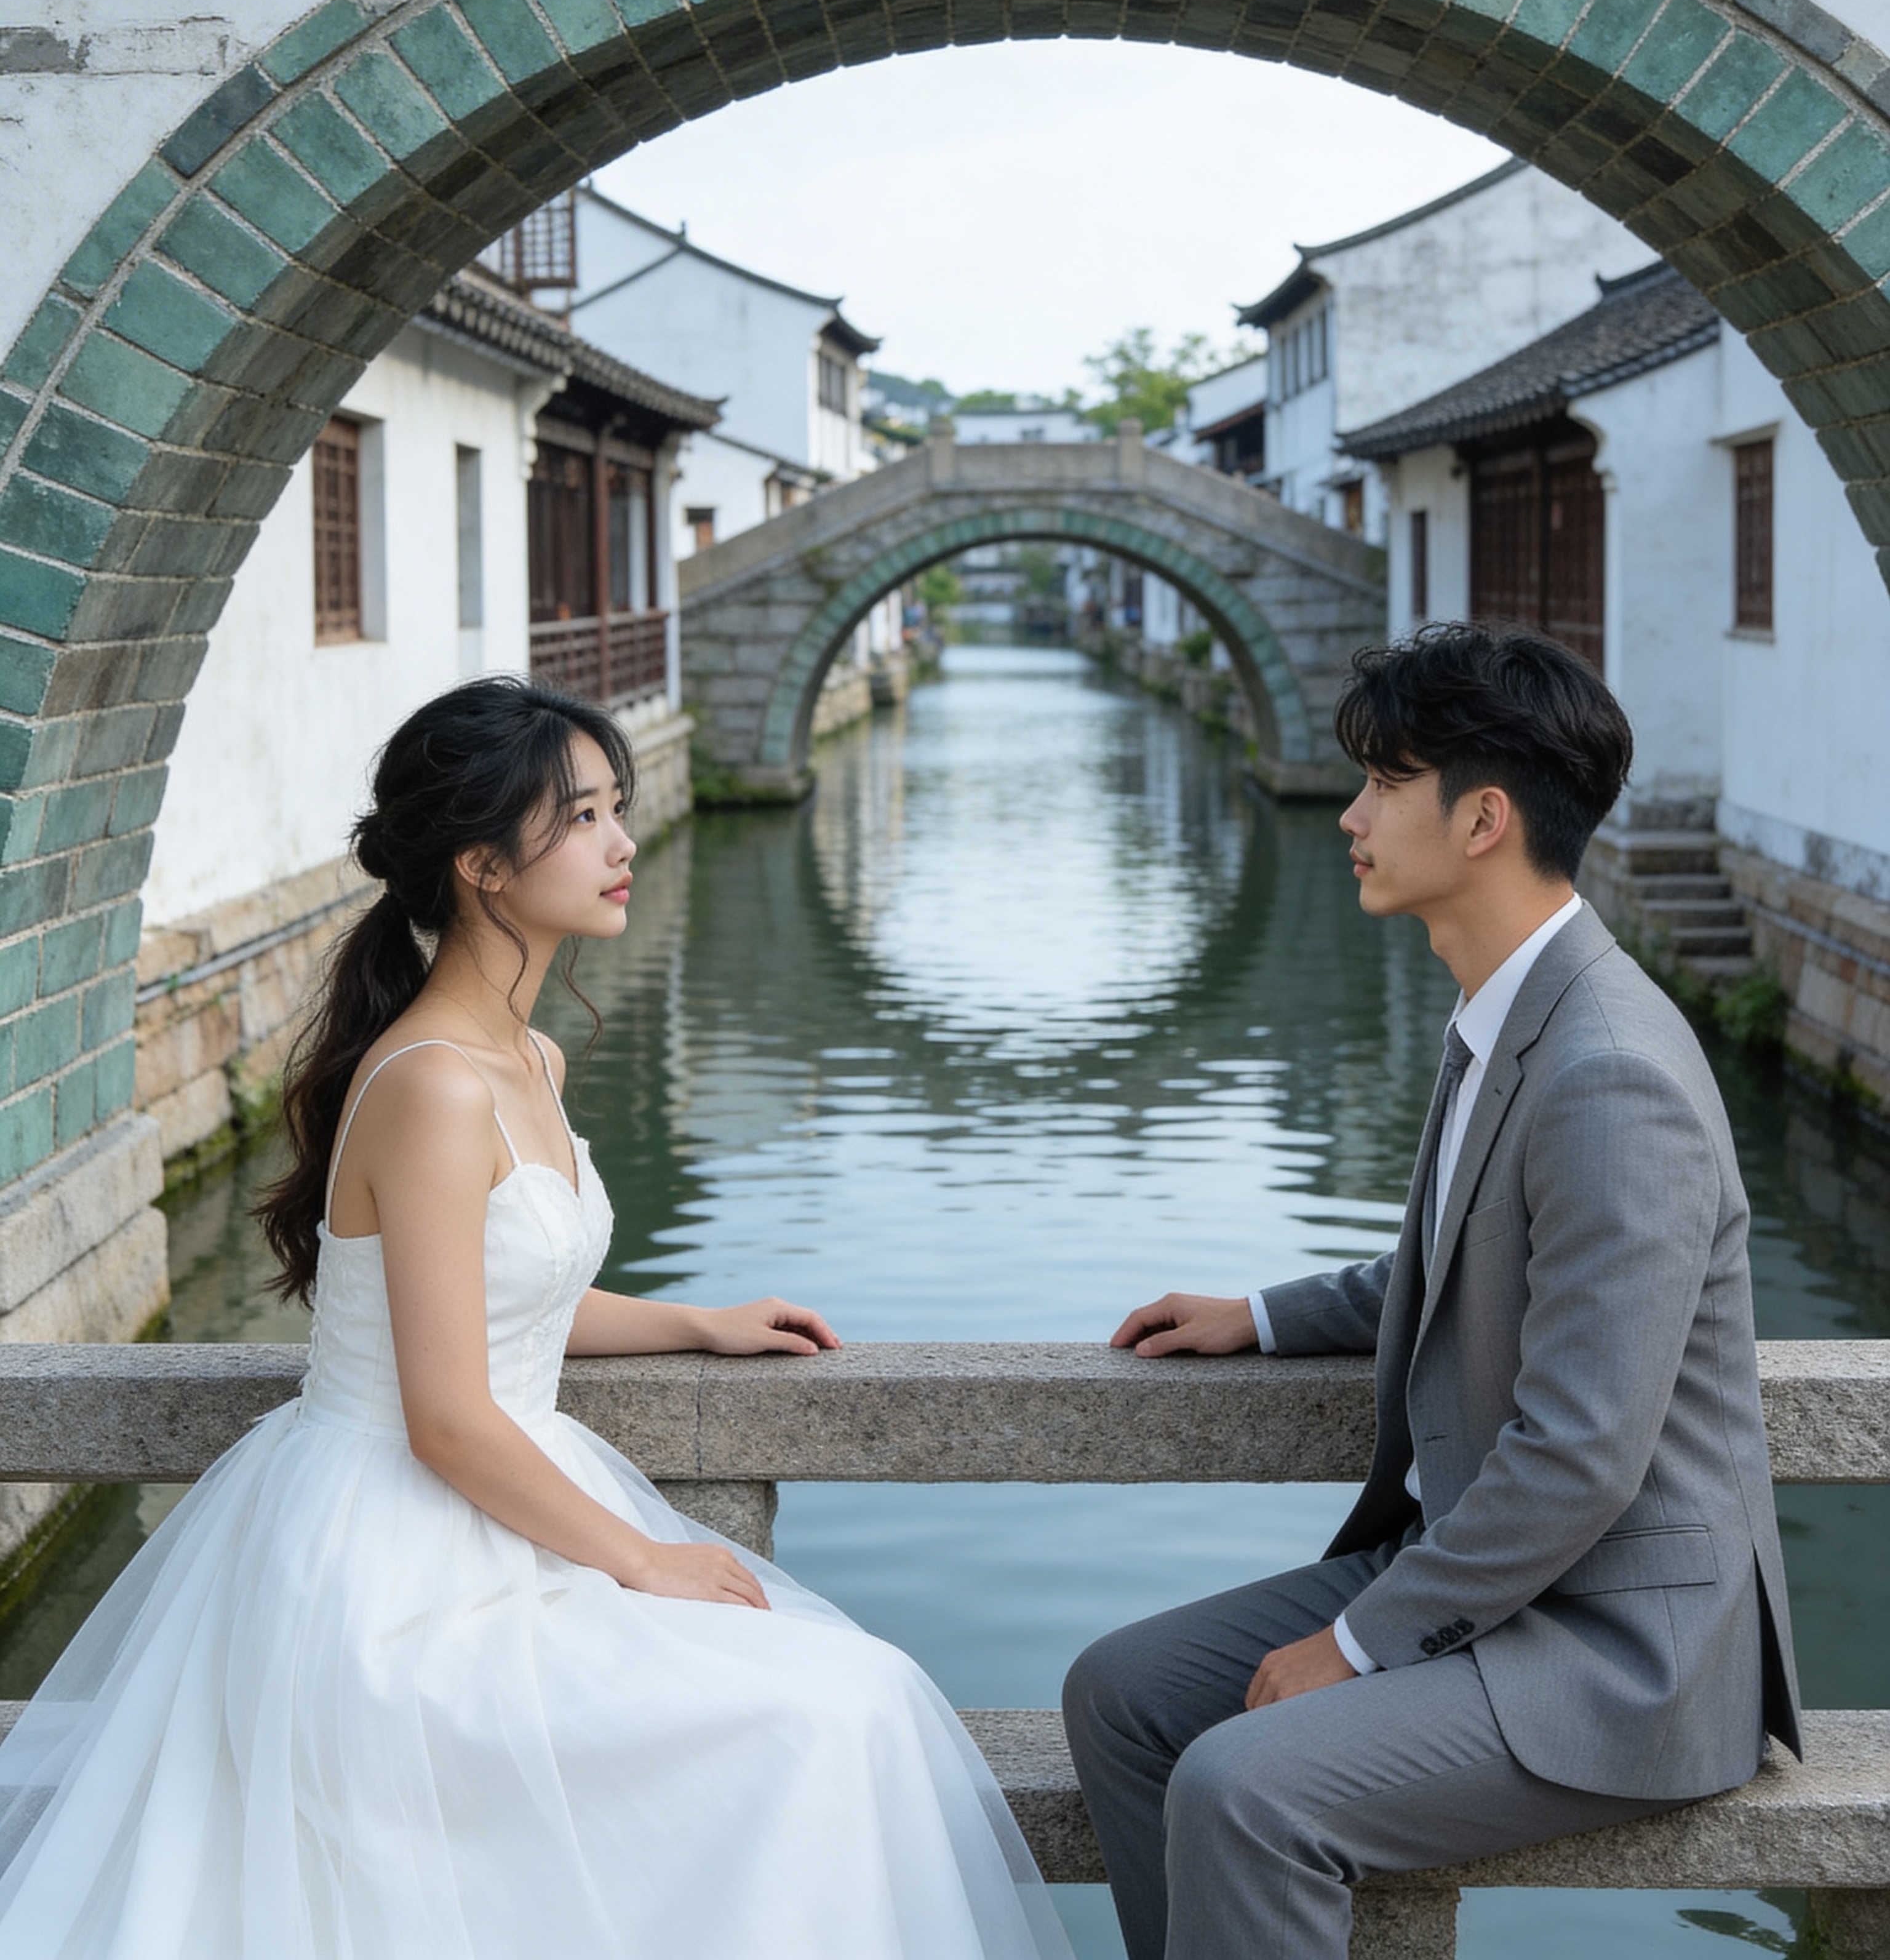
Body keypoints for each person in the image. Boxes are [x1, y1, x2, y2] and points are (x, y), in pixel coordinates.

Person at [0, 677, 1072, 1960]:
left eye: (618, 808)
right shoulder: (434, 1083)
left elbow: (513, 1296)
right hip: (397, 1551)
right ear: (481, 866)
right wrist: (648, 1556)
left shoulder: (531, 1055)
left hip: (509, 1499)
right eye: (584, 817)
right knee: (827, 1713)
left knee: (865, 1698)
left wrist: (695, 1321)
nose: (623, 842)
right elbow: (449, 1414)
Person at [1063, 623, 1800, 1960]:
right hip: (1493, 1570)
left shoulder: (1608, 1067)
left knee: (1247, 1782)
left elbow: (1580, 1452)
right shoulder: (1508, 1009)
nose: (1349, 813)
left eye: (1382, 782)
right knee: (1124, 1693)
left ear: (1483, 818)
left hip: (1624, 1643)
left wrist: (1356, 1637)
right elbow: (1476, 1251)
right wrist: (1268, 1314)